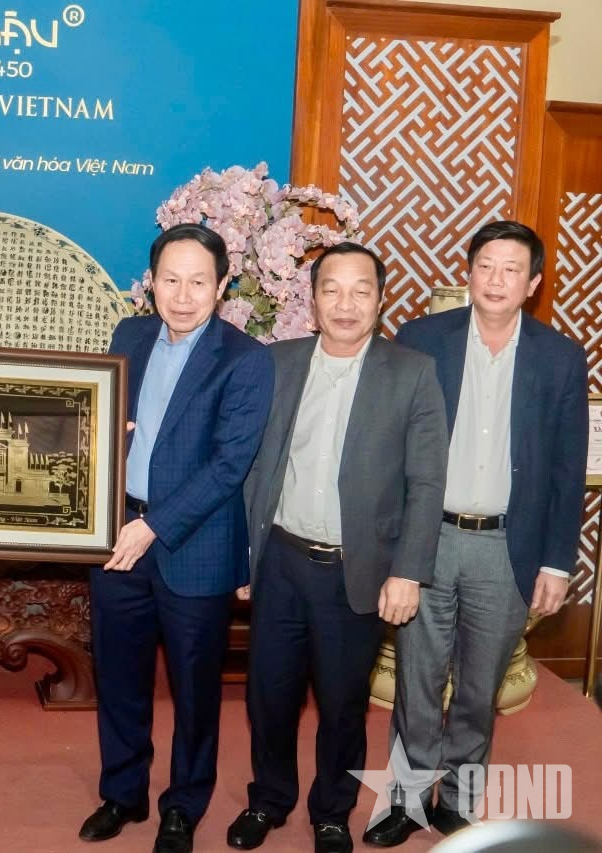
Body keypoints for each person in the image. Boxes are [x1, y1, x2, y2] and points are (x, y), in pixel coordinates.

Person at [365, 221, 588, 846]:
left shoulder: (560, 358)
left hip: (507, 548)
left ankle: (459, 800)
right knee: (416, 680)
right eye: (485, 265)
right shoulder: (422, 340)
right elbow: (391, 446)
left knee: (479, 686)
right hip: (427, 540)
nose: (496, 279)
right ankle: (406, 802)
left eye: (511, 269)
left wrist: (557, 562)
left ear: (533, 283)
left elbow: (567, 469)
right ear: (468, 272)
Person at [225, 242, 448, 853]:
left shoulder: (412, 373)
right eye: (331, 290)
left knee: (343, 704)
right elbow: (250, 467)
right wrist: (244, 556)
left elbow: (428, 482)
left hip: (357, 571)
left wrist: (408, 571)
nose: (345, 304)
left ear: (380, 299)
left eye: (360, 291)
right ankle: (268, 799)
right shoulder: (278, 363)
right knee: (269, 696)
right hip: (280, 562)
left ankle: (331, 812)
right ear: (313, 298)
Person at [78, 223, 274, 853]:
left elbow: (228, 465)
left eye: (197, 282)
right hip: (117, 535)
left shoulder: (246, 360)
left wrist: (154, 526)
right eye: (170, 280)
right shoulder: (129, 336)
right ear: (152, 282)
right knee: (119, 676)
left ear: (222, 285)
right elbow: (100, 419)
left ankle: (183, 807)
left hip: (196, 546)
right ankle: (122, 793)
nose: (182, 296)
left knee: (194, 690)